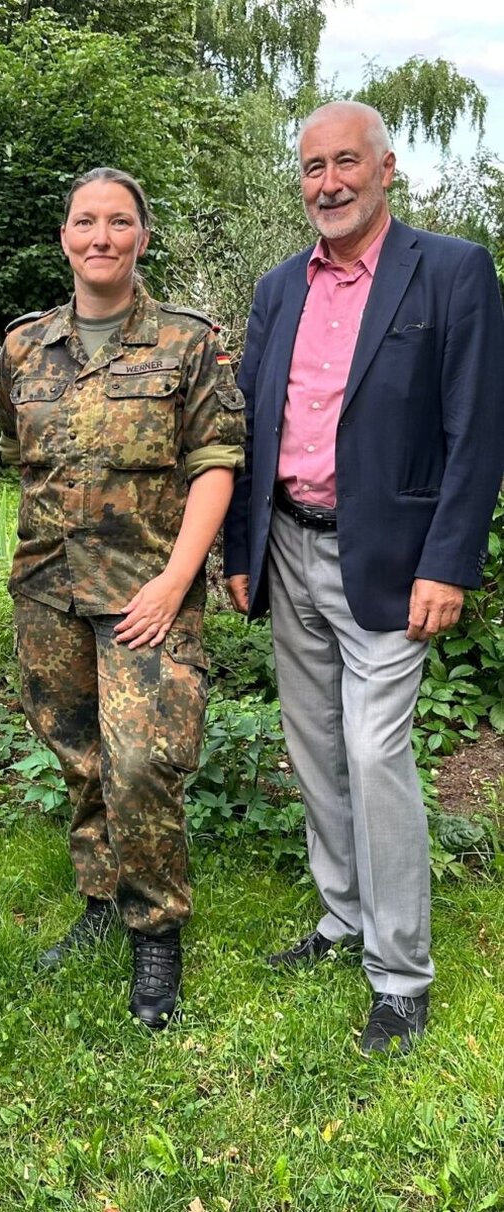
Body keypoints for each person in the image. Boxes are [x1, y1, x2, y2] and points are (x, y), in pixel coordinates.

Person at [223, 101, 504, 1054]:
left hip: (389, 557)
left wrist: (449, 563)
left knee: (375, 754)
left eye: (347, 164)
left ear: (388, 170)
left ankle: (401, 973)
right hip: (289, 546)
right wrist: (238, 552)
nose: (329, 184)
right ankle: (342, 917)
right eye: (312, 168)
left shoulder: (454, 272)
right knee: (314, 750)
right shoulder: (277, 288)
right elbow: (253, 422)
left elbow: (478, 432)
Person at [0, 167, 244, 1027]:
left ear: (142, 235)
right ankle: (101, 903)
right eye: (84, 222)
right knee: (78, 755)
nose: (100, 236)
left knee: (143, 762)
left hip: (148, 589)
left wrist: (178, 581)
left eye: (119, 222)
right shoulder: (24, 347)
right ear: (64, 236)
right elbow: (15, 453)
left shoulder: (187, 342)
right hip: (47, 588)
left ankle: (157, 929)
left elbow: (216, 463)